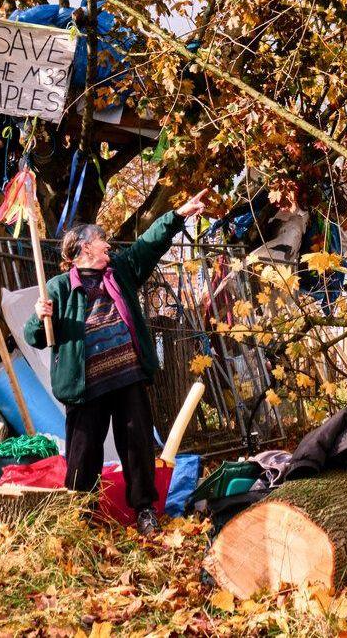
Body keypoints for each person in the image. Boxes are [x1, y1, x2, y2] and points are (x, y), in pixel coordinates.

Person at [25, 192, 209, 534]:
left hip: (128, 377)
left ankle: (144, 510)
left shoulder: (120, 272)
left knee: (137, 447)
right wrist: (39, 317)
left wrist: (179, 214)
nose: (108, 245)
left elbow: (149, 244)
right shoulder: (59, 287)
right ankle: (79, 515)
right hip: (86, 387)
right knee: (83, 456)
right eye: (101, 241)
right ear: (83, 249)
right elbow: (35, 336)